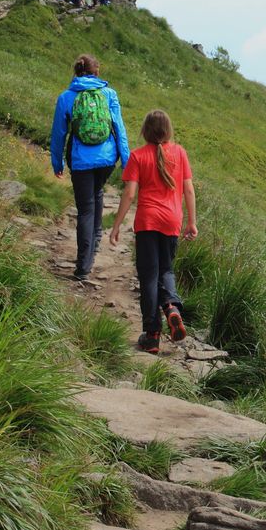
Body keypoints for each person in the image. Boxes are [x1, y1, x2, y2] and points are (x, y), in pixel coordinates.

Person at [110, 109, 196, 352]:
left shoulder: (138, 157)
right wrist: (192, 222)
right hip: (172, 222)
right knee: (166, 269)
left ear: (145, 130)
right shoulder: (179, 153)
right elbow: (188, 190)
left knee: (149, 275)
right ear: (168, 130)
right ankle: (171, 306)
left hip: (147, 222)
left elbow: (129, 193)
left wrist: (116, 225)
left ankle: (152, 334)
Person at [50, 54, 130, 281]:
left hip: (81, 160)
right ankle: (94, 243)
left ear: (76, 72)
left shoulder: (66, 97)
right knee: (97, 192)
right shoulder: (109, 94)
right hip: (107, 160)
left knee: (85, 208)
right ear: (97, 72)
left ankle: (84, 265)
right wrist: (126, 162)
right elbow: (120, 130)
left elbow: (58, 134)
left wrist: (58, 162)